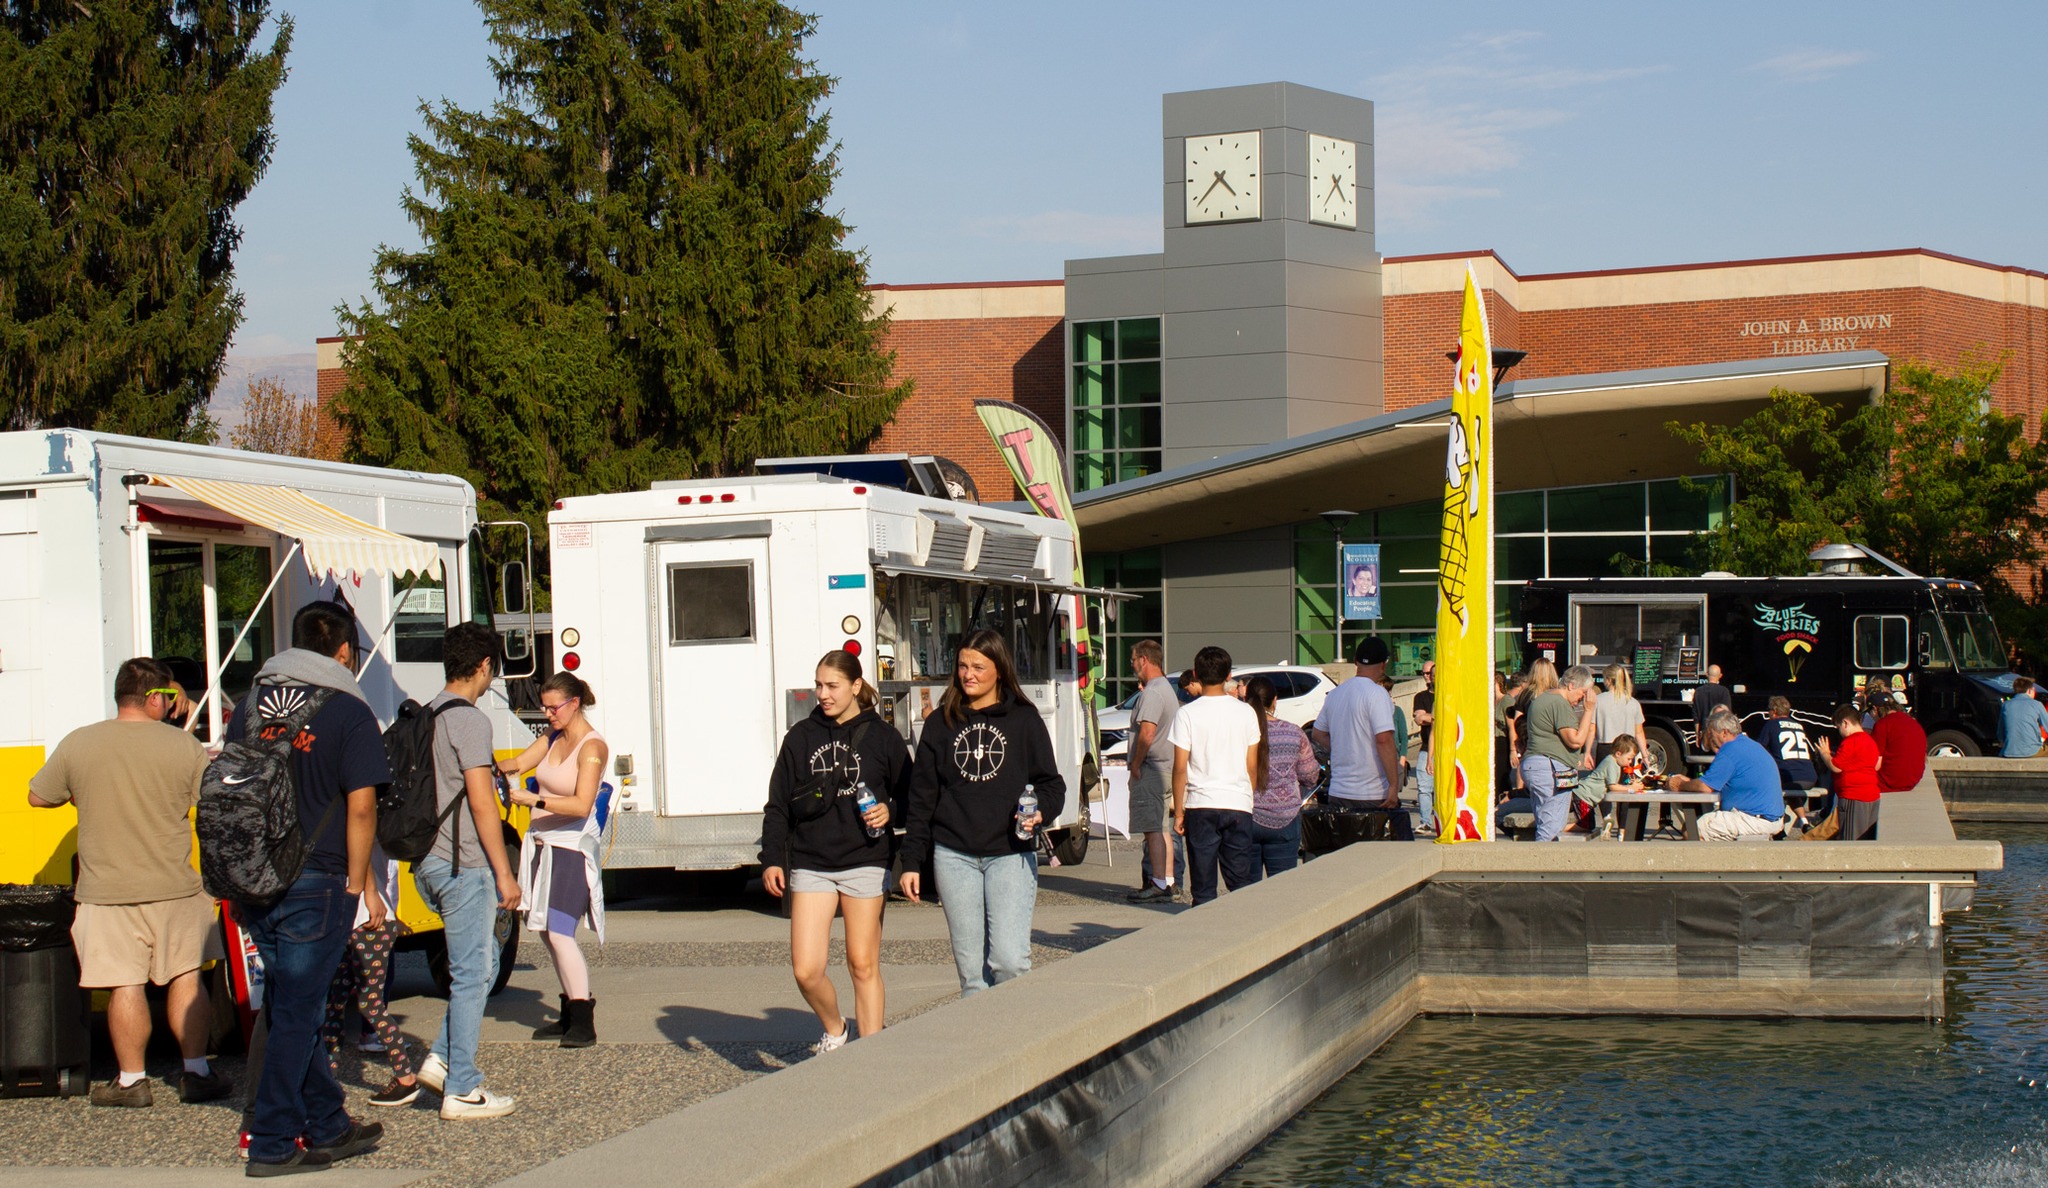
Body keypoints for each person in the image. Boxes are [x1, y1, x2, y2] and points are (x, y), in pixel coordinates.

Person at [226, 601, 390, 1173]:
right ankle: (271, 1142)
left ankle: (329, 1122)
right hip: (316, 878)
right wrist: (358, 882)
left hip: (251, 876)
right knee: (300, 1012)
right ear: (344, 652)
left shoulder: (246, 706)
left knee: (289, 1001)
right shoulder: (348, 710)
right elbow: (362, 806)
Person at [26, 658, 227, 1108]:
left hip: (108, 891)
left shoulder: (80, 743)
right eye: (169, 697)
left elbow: (38, 796)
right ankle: (196, 1073)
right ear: (155, 698)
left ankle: (132, 1081)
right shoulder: (182, 747)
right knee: (186, 978)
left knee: (125, 984)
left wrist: (81, 792)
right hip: (176, 885)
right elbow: (212, 802)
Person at [899, 628, 1065, 996]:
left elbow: (1052, 784)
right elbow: (922, 797)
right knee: (972, 975)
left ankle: (1019, 1043)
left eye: (978, 666)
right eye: (962, 666)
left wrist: (1041, 812)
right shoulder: (940, 723)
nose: (968, 674)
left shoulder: (1024, 719)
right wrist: (911, 861)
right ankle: (985, 1050)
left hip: (1010, 855)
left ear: (1000, 670)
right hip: (953, 856)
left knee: (1009, 962)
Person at [758, 651, 909, 1052]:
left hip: (865, 859)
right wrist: (772, 857)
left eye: (832, 686)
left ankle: (872, 1058)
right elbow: (777, 804)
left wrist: (889, 810)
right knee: (807, 970)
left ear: (856, 686)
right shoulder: (801, 737)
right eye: (818, 685)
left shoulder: (884, 738)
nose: (822, 694)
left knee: (863, 964)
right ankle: (837, 1028)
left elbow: (913, 798)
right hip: (811, 863)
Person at [413, 621, 523, 1120]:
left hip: (429, 860)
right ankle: (463, 1086)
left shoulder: (427, 713)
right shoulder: (471, 721)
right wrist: (504, 871)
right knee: (474, 971)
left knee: (481, 966)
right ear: (484, 666)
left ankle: (440, 1059)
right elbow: (482, 803)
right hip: (466, 862)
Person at [500, 672, 612, 1048]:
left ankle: (583, 1018)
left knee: (562, 932)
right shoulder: (551, 737)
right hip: (543, 843)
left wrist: (534, 800)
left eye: (553, 707)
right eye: (544, 706)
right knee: (548, 933)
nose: (547, 713)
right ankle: (568, 1013)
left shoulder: (593, 747)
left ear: (574, 703)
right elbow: (516, 763)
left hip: (571, 848)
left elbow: (581, 803)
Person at [319, 846, 417, 1106]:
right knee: (334, 1005)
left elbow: (363, 858)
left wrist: (372, 894)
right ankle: (327, 1078)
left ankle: (406, 1078)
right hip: (351, 921)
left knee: (370, 1004)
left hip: (370, 922)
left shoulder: (366, 820)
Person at [1166, 646, 1263, 905]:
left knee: (1203, 886)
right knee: (1241, 882)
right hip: (1238, 803)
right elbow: (1251, 766)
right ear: (1229, 675)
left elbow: (1180, 768)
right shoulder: (1246, 712)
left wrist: (1178, 812)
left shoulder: (1186, 713)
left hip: (1200, 804)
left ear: (1196, 674)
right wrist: (1247, 798)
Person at [1310, 637, 1407, 840]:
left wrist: (1341, 748)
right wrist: (1392, 785)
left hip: (1339, 791)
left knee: (1346, 859)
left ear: (1355, 661)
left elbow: (1318, 734)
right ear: (1383, 664)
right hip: (1372, 794)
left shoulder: (1335, 694)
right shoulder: (1377, 694)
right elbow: (1384, 740)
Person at [1124, 640, 1185, 905]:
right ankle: (1168, 880)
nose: (1132, 665)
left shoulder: (1152, 692)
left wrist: (1135, 763)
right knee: (1162, 828)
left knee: (1153, 829)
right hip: (1165, 767)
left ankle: (1158, 882)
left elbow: (1147, 733)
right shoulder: (1166, 689)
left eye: (1133, 660)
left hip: (1151, 768)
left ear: (1144, 660)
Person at [1666, 709, 1785, 841]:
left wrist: (1680, 784)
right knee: (1692, 826)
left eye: (1711, 735)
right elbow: (1711, 782)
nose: (1711, 740)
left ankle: (1702, 861)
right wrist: (1689, 782)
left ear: (1724, 733)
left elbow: (1706, 787)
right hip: (1770, 818)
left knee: (1691, 831)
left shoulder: (1730, 749)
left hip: (1754, 819)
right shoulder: (1749, 744)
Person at [1244, 676, 1321, 879]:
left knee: (1245, 891)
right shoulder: (1293, 732)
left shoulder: (1240, 732)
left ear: (1247, 700)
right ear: (1275, 700)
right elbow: (1310, 774)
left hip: (1246, 816)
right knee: (1282, 889)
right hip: (1284, 819)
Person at [1520, 665, 1596, 842]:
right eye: (1583, 692)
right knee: (1551, 829)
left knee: (1545, 820)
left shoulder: (1543, 699)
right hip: (1552, 769)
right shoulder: (1559, 704)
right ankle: (1543, 868)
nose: (1583, 699)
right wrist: (1589, 710)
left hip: (1536, 765)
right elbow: (1575, 740)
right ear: (1571, 685)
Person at [1815, 703, 1882, 841]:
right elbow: (1875, 765)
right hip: (1872, 795)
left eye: (1838, 727)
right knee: (1866, 839)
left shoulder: (1850, 741)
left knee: (1852, 840)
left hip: (1854, 797)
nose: (1839, 731)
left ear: (1845, 723)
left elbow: (1836, 766)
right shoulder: (1870, 741)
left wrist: (1825, 754)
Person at [1757, 697, 1820, 827]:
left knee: (1768, 784)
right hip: (1810, 777)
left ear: (1774, 711)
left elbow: (1758, 750)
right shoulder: (1798, 725)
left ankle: (1774, 824)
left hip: (1789, 777)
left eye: (1768, 710)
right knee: (1791, 791)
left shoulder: (1771, 724)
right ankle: (1804, 822)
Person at [1576, 733, 1649, 836]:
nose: (1630, 762)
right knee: (1587, 826)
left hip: (1586, 797)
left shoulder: (1613, 762)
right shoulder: (1611, 763)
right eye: (1629, 758)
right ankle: (1559, 828)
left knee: (1588, 825)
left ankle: (1559, 827)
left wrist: (1630, 784)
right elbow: (1613, 786)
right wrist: (1631, 788)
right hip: (1583, 796)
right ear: (1618, 754)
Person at [1869, 695, 1927, 793]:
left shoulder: (1882, 725)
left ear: (1875, 709)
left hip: (1888, 782)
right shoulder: (1913, 723)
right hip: (1912, 780)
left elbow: (1875, 763)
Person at [1592, 664, 1647, 764]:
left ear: (1608, 680)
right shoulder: (1633, 702)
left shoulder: (1598, 700)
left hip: (1605, 748)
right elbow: (1639, 732)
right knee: (1625, 779)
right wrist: (1645, 754)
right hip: (1628, 748)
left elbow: (1592, 730)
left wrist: (1587, 752)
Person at [2000, 677, 2048, 758]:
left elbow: (2000, 733)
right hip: (2031, 751)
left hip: (2009, 751)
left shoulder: (2006, 705)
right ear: (2030, 690)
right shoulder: (2036, 704)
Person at [1692, 664, 1732, 754]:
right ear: (1720, 676)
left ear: (1706, 674)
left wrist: (1697, 734)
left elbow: (1696, 716)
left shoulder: (1698, 691)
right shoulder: (1724, 691)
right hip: (1719, 734)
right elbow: (1727, 714)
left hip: (1704, 733)